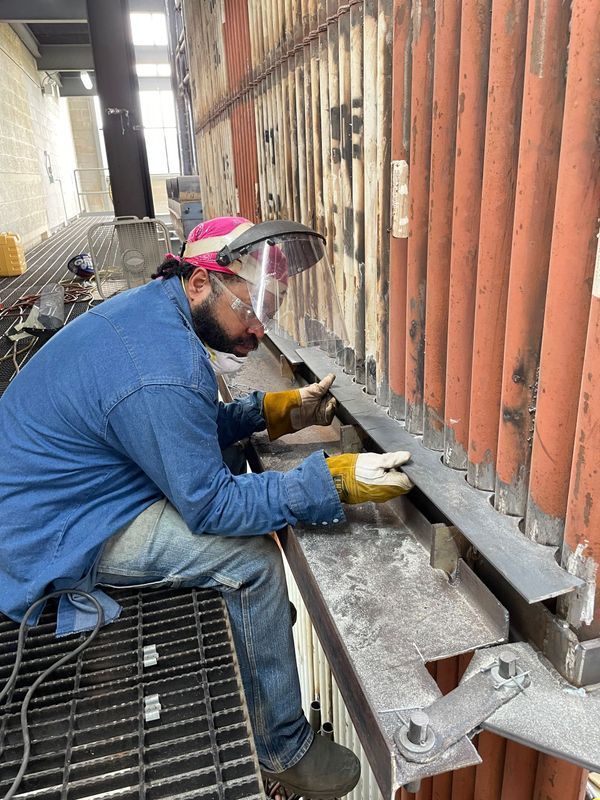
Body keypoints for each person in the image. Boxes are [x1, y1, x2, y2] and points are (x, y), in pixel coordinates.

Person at [0, 216, 413, 799]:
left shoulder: (156, 318)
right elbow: (210, 503)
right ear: (199, 283)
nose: (258, 327)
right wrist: (334, 480)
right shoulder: (158, 367)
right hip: (54, 529)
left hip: (65, 492)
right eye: (248, 309)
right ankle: (281, 747)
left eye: (268, 308)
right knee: (253, 566)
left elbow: (177, 429)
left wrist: (276, 411)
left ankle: (259, 652)